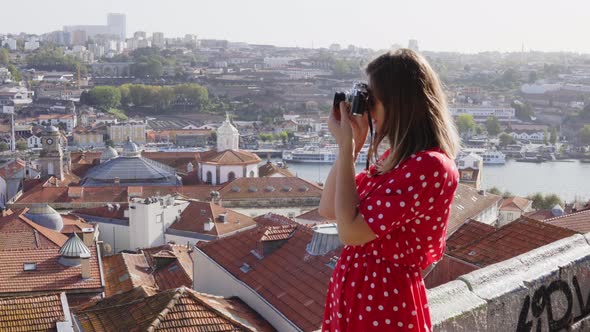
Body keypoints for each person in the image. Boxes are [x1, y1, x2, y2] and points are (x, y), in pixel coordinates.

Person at [319, 49, 460, 331]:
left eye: (371, 99)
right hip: (360, 298)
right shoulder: (395, 160)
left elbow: (350, 232)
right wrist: (352, 145)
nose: (367, 108)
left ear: (398, 103)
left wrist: (348, 146)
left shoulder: (430, 166)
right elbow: (329, 209)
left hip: (384, 302)